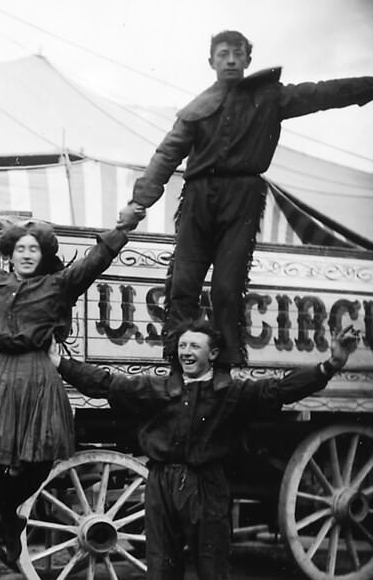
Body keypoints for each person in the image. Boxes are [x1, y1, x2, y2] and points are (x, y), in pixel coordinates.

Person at [52, 319, 360, 580]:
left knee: (214, 578)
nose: (186, 352)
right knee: (162, 577)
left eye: (195, 346)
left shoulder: (231, 393)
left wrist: (331, 365)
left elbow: (279, 390)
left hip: (207, 485)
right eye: (182, 346)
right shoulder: (158, 388)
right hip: (162, 483)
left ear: (212, 353)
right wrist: (61, 363)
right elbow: (107, 384)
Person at [119, 30, 373, 367]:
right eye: (223, 54)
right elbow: (166, 155)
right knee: (183, 284)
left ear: (248, 60)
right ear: (211, 61)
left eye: (238, 54)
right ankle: (177, 366)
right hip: (198, 199)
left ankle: (225, 365)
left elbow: (323, 92)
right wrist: (139, 203)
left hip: (242, 199)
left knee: (227, 286)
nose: (231, 60)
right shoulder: (196, 110)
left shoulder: (271, 97)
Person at [0, 212, 134, 565]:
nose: (27, 254)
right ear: (10, 254)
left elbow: (92, 264)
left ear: (42, 255)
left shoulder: (58, 284)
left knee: (43, 455)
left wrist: (122, 228)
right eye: (21, 248)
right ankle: (9, 516)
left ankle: (19, 506)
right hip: (1, 372)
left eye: (34, 249)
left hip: (38, 371)